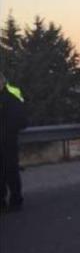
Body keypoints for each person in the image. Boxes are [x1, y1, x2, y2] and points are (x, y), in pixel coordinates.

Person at [0, 72, 27, 212]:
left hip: (8, 140)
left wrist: (6, 131)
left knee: (10, 171)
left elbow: (19, 120)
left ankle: (16, 200)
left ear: (2, 82)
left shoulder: (11, 96)